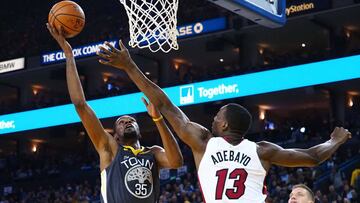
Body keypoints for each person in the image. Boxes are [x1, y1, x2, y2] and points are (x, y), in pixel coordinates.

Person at [96, 40, 352, 203]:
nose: (213, 119)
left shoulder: (204, 143)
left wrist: (130, 67)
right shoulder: (262, 149)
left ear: (226, 125)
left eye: (217, 117)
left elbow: (163, 103)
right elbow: (312, 156)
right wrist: (335, 140)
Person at [47, 25, 183, 203]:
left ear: (140, 131)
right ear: (115, 136)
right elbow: (80, 105)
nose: (127, 122)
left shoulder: (153, 153)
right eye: (121, 122)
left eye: (131, 121)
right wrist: (69, 56)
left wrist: (158, 119)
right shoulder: (109, 148)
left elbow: (176, 162)